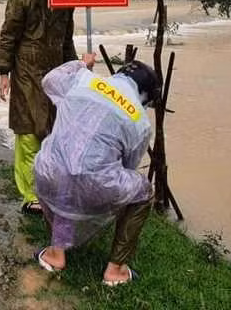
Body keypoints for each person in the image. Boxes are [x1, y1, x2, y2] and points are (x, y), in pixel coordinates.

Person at [32, 55, 160, 286]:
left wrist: (82, 63)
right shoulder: (140, 122)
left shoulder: (83, 79)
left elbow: (49, 81)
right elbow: (127, 167)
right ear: (145, 95)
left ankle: (55, 254)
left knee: (66, 170)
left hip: (47, 174)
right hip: (94, 188)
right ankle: (115, 270)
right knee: (143, 191)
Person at [0, 0, 78, 215]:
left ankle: (48, 186)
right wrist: (3, 73)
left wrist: (75, 72)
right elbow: (8, 37)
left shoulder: (66, 2)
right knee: (29, 131)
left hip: (54, 74)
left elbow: (66, 41)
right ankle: (31, 195)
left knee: (51, 130)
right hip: (27, 74)